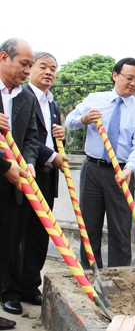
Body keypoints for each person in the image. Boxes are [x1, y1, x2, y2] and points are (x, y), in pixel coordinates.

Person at [65, 57, 135, 269]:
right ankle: (91, 274)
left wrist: (129, 169)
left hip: (121, 173)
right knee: (89, 226)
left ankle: (118, 276)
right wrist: (83, 119)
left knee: (121, 229)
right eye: (129, 78)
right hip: (92, 169)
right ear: (115, 75)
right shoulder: (95, 99)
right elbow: (70, 121)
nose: (133, 83)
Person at [1, 52, 67, 315]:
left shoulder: (50, 104)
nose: (46, 72)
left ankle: (30, 286)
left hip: (38, 174)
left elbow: (30, 137)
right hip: (13, 172)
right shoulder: (20, 94)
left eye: (53, 68)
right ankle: (11, 291)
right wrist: (48, 155)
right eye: (38, 66)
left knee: (38, 235)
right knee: (14, 235)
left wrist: (34, 158)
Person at [0, 38, 39, 330]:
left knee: (6, 245)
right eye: (23, 64)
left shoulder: (26, 98)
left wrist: (27, 162)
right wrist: (4, 166)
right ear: (4, 58)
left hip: (14, 185)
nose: (28, 71)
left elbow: (31, 138)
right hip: (3, 171)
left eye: (30, 65)